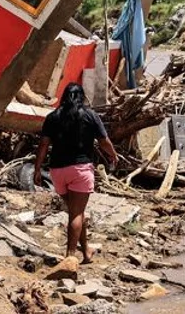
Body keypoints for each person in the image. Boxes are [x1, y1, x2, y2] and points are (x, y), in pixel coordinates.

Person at [33, 83, 118, 263]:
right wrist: (113, 155)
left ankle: (86, 251)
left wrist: (37, 169)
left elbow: (43, 146)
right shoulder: (90, 115)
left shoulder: (52, 117)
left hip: (57, 172)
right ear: (81, 97)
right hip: (80, 170)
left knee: (77, 212)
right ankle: (70, 257)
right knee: (76, 214)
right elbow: (104, 141)